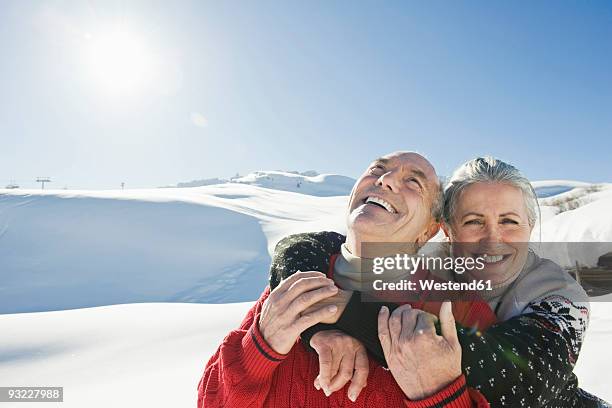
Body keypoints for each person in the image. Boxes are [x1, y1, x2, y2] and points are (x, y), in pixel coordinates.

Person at [269, 156, 609, 406]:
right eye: (474, 222)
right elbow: (310, 246)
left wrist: (346, 314)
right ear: (447, 230)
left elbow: (524, 383)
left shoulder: (559, 294)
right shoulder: (429, 263)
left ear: (530, 228)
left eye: (510, 221)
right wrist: (314, 322)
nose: (493, 239)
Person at [197, 152, 492, 407]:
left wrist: (440, 395)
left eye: (413, 182)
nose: (385, 180)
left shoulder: (460, 307)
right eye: (377, 169)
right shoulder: (295, 280)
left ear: (429, 230)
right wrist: (261, 347)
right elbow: (210, 402)